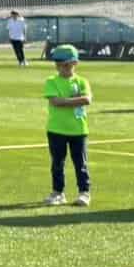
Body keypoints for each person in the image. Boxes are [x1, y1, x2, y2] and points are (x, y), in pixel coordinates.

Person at [42, 44, 92, 206]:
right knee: (57, 163)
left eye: (65, 64)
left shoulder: (82, 81)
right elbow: (55, 102)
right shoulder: (51, 81)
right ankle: (58, 192)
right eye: (58, 64)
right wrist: (75, 100)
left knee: (80, 163)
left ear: (74, 63)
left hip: (78, 130)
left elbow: (87, 100)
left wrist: (66, 101)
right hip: (56, 129)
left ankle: (84, 192)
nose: (61, 68)